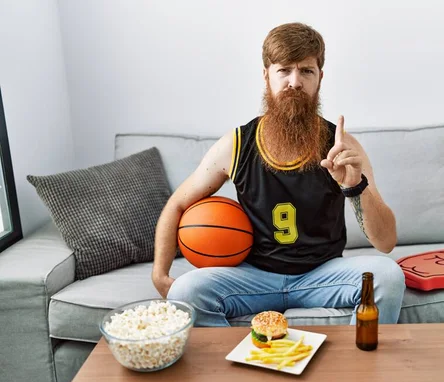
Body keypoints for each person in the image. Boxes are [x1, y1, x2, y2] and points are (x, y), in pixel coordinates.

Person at [151, 22, 405, 327]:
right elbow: (177, 204)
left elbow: (387, 243)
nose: (294, 82)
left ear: (320, 78)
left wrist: (354, 185)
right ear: (266, 76)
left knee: (388, 275)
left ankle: (359, 369)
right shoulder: (236, 144)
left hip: (322, 275)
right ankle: (236, 366)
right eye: (284, 70)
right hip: (253, 277)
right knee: (186, 289)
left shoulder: (342, 145)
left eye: (306, 71)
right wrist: (160, 273)